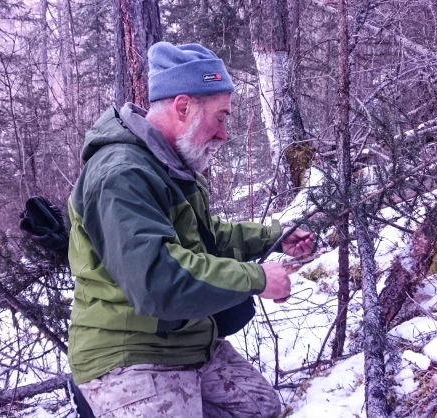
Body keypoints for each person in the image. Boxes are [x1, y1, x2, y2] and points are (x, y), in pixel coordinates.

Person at [67, 41, 315, 417]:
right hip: (128, 353)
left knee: (260, 409)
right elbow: (158, 280)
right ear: (183, 107)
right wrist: (256, 279)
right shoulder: (122, 174)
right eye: (220, 117)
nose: (223, 134)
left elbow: (207, 235)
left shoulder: (167, 164)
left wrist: (273, 236)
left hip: (186, 341)